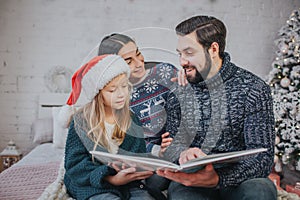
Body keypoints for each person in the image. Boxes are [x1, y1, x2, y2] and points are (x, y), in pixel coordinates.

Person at [157, 15, 277, 200]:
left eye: (189, 53)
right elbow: (170, 146)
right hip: (193, 180)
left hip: (241, 179)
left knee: (261, 190)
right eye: (180, 53)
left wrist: (218, 179)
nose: (182, 61)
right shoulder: (179, 89)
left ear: (213, 49)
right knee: (183, 195)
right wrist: (182, 152)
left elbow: (263, 158)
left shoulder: (254, 89)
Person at [63, 54, 156, 200]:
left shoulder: (131, 119)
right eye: (112, 90)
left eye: (124, 87)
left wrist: (138, 167)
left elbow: (138, 155)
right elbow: (75, 164)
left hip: (127, 181)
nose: (121, 95)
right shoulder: (81, 121)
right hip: (90, 182)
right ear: (98, 93)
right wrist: (111, 178)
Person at [98, 33, 180, 157]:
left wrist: (191, 80)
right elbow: (121, 140)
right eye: (128, 61)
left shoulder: (166, 73)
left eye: (137, 54)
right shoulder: (115, 98)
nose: (139, 63)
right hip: (146, 157)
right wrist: (158, 151)